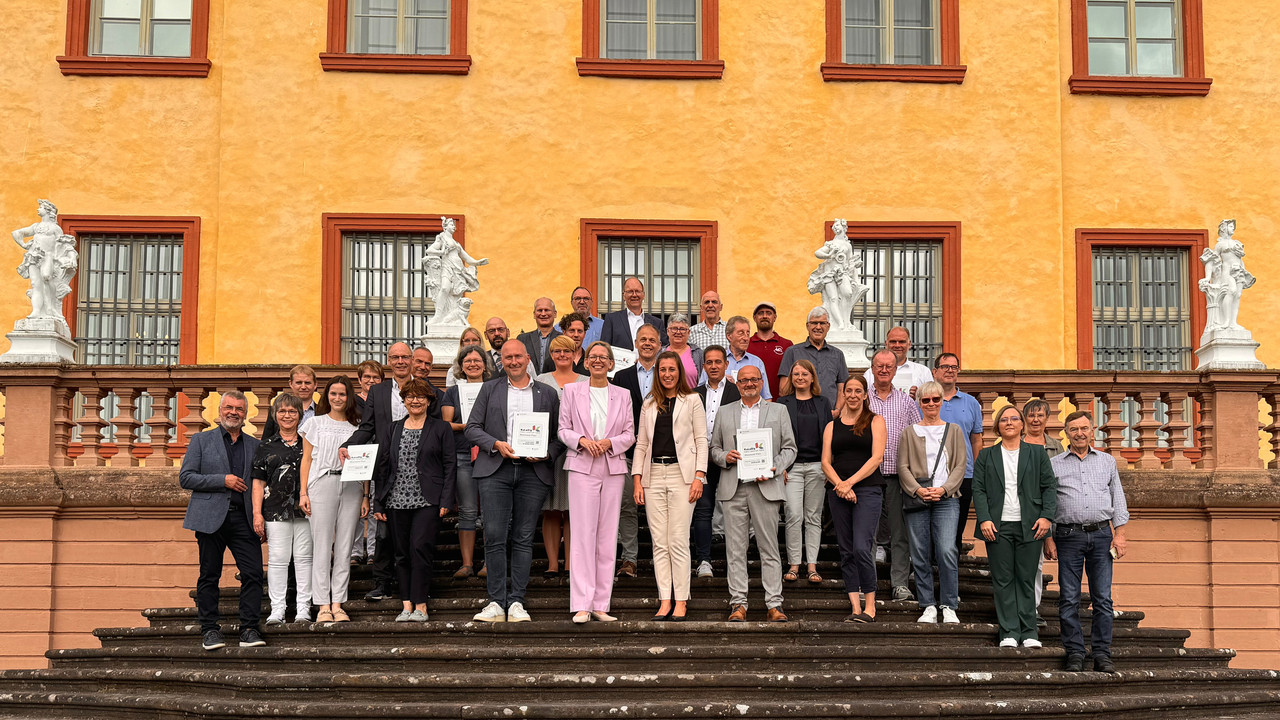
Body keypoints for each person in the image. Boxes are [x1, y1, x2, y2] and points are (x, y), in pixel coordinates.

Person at [465, 340, 564, 623]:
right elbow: (472, 429)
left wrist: (545, 454)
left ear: (528, 358)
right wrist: (495, 443)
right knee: (495, 537)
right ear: (502, 361)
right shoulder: (489, 389)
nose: (513, 361)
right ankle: (496, 601)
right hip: (496, 470)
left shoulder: (547, 393)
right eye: (507, 357)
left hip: (533, 473)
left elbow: (559, 437)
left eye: (518, 356)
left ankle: (517, 601)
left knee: (522, 538)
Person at [179, 391, 265, 651]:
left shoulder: (255, 445)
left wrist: (261, 517)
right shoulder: (201, 441)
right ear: (220, 410)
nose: (234, 412)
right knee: (209, 575)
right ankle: (210, 630)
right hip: (209, 518)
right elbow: (186, 478)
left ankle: (249, 629)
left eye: (239, 409)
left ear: (245, 414)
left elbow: (261, 484)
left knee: (253, 574)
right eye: (229, 407)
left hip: (244, 519)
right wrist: (222, 480)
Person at [711, 365, 797, 622]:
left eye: (754, 379)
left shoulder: (778, 410)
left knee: (769, 547)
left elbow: (790, 449)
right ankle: (738, 603)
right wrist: (725, 456)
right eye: (744, 380)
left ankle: (774, 604)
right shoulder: (725, 412)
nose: (749, 383)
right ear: (737, 385)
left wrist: (774, 468)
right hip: (733, 487)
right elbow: (713, 447)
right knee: (735, 550)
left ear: (761, 382)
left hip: (766, 486)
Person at [1045, 411, 1129, 674]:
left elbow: (1118, 499)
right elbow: (1047, 502)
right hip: (1068, 536)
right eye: (1073, 429)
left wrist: (1121, 534)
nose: (1079, 433)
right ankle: (1075, 653)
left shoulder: (1106, 461)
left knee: (1102, 598)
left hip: (1103, 536)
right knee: (1069, 598)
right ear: (1066, 433)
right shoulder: (1055, 463)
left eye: (1084, 428)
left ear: (1092, 431)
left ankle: (1102, 653)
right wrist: (1048, 537)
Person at [558, 341, 635, 622]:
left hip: (612, 466)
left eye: (604, 357)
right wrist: (580, 441)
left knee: (607, 534)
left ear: (612, 363)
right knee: (582, 534)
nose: (599, 361)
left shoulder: (623, 394)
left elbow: (629, 434)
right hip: (581, 465)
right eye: (594, 357)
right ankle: (581, 603)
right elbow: (562, 429)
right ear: (586, 362)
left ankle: (601, 603)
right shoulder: (572, 391)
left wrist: (608, 443)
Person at [371, 379, 456, 623]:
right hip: (396, 499)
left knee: (420, 549)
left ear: (429, 401)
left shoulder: (441, 428)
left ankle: (421, 605)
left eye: (421, 397)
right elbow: (384, 466)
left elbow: (450, 467)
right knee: (401, 553)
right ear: (404, 400)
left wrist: (446, 499)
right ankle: (406, 604)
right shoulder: (393, 429)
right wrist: (379, 502)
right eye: (410, 397)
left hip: (427, 500)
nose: (415, 401)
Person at [973, 405, 1056, 649]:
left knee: (1027, 578)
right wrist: (984, 518)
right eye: (1004, 419)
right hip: (997, 526)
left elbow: (1049, 487)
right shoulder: (987, 456)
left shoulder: (1037, 453)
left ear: (1022, 425)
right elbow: (978, 489)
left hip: (1031, 525)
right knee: (1003, 579)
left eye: (1014, 419)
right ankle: (1008, 631)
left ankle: (1029, 631)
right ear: (997, 426)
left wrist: (1046, 517)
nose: (1009, 422)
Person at [633, 351, 708, 621]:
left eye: (672, 369)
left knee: (677, 540)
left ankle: (681, 600)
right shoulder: (649, 404)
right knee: (659, 543)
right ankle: (664, 599)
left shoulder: (692, 401)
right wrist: (637, 480)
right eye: (662, 369)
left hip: (682, 476)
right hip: (653, 475)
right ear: (657, 373)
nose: (667, 374)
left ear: (680, 372)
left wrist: (699, 476)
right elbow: (641, 444)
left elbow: (701, 441)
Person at [341, 342, 413, 602]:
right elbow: (367, 427)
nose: (401, 361)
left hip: (417, 469)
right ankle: (382, 583)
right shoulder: (379, 392)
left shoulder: (425, 390)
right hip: (385, 469)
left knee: (414, 533)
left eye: (405, 357)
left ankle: (414, 585)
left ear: (412, 360)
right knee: (382, 531)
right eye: (395, 357)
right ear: (389, 361)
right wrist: (348, 444)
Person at [896, 381, 967, 624]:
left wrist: (944, 489)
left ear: (941, 401)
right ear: (920, 403)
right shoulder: (909, 432)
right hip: (918, 498)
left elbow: (960, 465)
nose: (931, 404)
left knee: (947, 550)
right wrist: (917, 489)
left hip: (946, 499)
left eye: (936, 399)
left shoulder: (954, 430)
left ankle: (949, 603)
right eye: (926, 400)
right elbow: (902, 466)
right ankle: (927, 604)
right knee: (920, 552)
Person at [299, 375, 366, 623]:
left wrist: (366, 495)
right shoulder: (314, 424)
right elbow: (306, 460)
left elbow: (364, 462)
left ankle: (338, 603)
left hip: (351, 485)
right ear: (327, 396)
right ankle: (323, 605)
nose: (337, 398)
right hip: (321, 483)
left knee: (345, 545)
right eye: (333, 393)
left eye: (342, 394)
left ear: (349, 397)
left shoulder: (357, 427)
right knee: (322, 545)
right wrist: (303, 492)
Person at [821, 376, 886, 623]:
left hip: (867, 490)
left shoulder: (875, 421)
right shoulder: (832, 426)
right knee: (846, 550)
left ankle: (870, 606)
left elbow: (876, 458)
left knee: (862, 547)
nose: (853, 395)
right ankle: (855, 608)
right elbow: (825, 462)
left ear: (865, 394)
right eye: (849, 390)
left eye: (858, 391)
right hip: (838, 492)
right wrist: (840, 484)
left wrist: (850, 483)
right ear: (844, 394)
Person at [251, 394, 311, 626]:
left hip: (306, 510)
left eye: (292, 411)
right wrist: (257, 513)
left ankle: (303, 609)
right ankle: (277, 609)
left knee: (305, 559)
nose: (287, 416)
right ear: (275, 415)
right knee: (277, 559)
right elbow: (258, 482)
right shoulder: (265, 446)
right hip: (275, 510)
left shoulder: (308, 442)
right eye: (282, 411)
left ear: (300, 415)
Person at [867, 349, 922, 602]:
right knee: (868, 533)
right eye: (879, 366)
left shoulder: (906, 403)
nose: (884, 370)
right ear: (872, 368)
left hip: (898, 476)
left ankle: (899, 583)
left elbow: (918, 438)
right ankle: (868, 584)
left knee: (900, 534)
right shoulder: (863, 400)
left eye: (889, 366)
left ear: (896, 369)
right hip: (867, 476)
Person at [609, 323, 662, 578]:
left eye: (652, 339)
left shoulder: (669, 374)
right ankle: (629, 558)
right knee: (628, 507)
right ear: (636, 345)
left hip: (662, 455)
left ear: (659, 345)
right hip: (630, 455)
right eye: (643, 339)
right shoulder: (621, 376)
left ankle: (662, 559)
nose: (648, 343)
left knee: (661, 510)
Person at [775, 359, 833, 585]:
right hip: (793, 468)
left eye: (804, 374)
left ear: (812, 378)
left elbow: (829, 437)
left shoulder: (823, 402)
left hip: (818, 467)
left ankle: (812, 566)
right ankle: (794, 564)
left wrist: (828, 467)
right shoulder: (782, 403)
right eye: (796, 374)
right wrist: (781, 466)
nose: (800, 377)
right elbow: (777, 437)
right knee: (793, 516)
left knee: (813, 518)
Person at [535, 335, 588, 578]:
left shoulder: (587, 381)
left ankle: (571, 564)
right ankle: (553, 564)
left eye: (567, 351)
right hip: (548, 451)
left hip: (579, 450)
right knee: (551, 509)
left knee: (574, 509)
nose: (562, 355)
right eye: (557, 351)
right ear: (552, 355)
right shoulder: (540, 381)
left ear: (575, 353)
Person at [440, 343, 495, 579]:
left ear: (485, 364)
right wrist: (470, 428)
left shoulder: (495, 388)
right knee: (468, 510)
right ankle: (467, 563)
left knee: (491, 512)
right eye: (468, 361)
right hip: (462, 453)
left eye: (477, 360)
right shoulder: (453, 392)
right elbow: (446, 424)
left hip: (490, 455)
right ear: (461, 366)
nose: (473, 364)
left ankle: (488, 564)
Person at [692, 345, 739, 578]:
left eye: (718, 362)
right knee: (703, 511)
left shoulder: (737, 391)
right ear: (704, 366)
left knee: (733, 512)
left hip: (731, 459)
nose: (713, 366)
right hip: (702, 460)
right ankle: (704, 561)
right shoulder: (693, 393)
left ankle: (734, 562)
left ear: (726, 364)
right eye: (709, 362)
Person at [933, 352, 984, 553]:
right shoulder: (927, 399)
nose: (950, 371)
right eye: (945, 367)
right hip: (932, 473)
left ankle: (950, 574)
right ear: (935, 371)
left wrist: (977, 470)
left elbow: (976, 439)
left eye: (954, 367)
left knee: (957, 529)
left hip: (964, 473)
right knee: (930, 527)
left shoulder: (971, 402)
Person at [1023, 397, 1065, 624]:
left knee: (1037, 564)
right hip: (1021, 511)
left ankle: (1033, 608)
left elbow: (1059, 483)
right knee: (1026, 563)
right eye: (1031, 415)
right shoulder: (1016, 442)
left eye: (1040, 415)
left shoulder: (1056, 447)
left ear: (1047, 419)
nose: (1035, 419)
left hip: (1048, 513)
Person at [778, 307, 848, 416]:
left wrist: (837, 410)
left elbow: (842, 389)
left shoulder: (838, 355)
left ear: (828, 326)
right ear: (807, 326)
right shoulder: (792, 352)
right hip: (799, 415)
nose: (818, 327)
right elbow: (783, 388)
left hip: (829, 414)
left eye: (822, 323)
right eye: (814, 323)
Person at [351, 359, 385, 564]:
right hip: (358, 456)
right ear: (359, 379)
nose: (371, 381)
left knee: (374, 506)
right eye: (367, 377)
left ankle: (372, 550)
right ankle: (355, 551)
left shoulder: (383, 400)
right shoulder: (352, 402)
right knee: (355, 505)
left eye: (376, 378)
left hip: (378, 456)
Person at [700, 315, 771, 400]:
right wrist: (720, 380)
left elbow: (766, 397)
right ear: (729, 336)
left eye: (747, 333)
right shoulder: (716, 361)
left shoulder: (757, 362)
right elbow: (701, 391)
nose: (746, 338)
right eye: (741, 333)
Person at [599, 277, 667, 350]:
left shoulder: (657, 323)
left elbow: (663, 350)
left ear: (643, 295)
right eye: (630, 291)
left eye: (637, 291)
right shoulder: (612, 320)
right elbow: (604, 349)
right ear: (623, 295)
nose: (634, 295)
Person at [862, 327, 934, 396]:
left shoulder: (923, 372)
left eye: (901, 342)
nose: (897, 345)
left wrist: (919, 397)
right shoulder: (870, 373)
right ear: (886, 344)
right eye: (893, 341)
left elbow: (932, 400)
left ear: (909, 344)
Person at [748, 302, 792, 400]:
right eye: (760, 313)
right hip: (752, 402)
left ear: (775, 317)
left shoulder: (787, 345)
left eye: (768, 313)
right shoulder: (746, 345)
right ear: (754, 318)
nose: (764, 316)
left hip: (781, 402)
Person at [261, 365, 317, 441]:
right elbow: (266, 441)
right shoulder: (275, 410)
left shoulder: (323, 411)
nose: (303, 387)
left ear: (315, 384)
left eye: (307, 383)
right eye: (299, 383)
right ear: (291, 384)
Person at [518, 297, 561, 375]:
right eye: (540, 310)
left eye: (547, 310)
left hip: (555, 385)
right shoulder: (522, 339)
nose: (543, 314)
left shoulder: (563, 339)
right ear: (534, 314)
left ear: (555, 314)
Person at [663, 312, 703, 384]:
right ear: (668, 331)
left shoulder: (698, 354)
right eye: (674, 328)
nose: (678, 332)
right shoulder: (660, 353)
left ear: (689, 332)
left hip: (692, 395)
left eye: (682, 329)